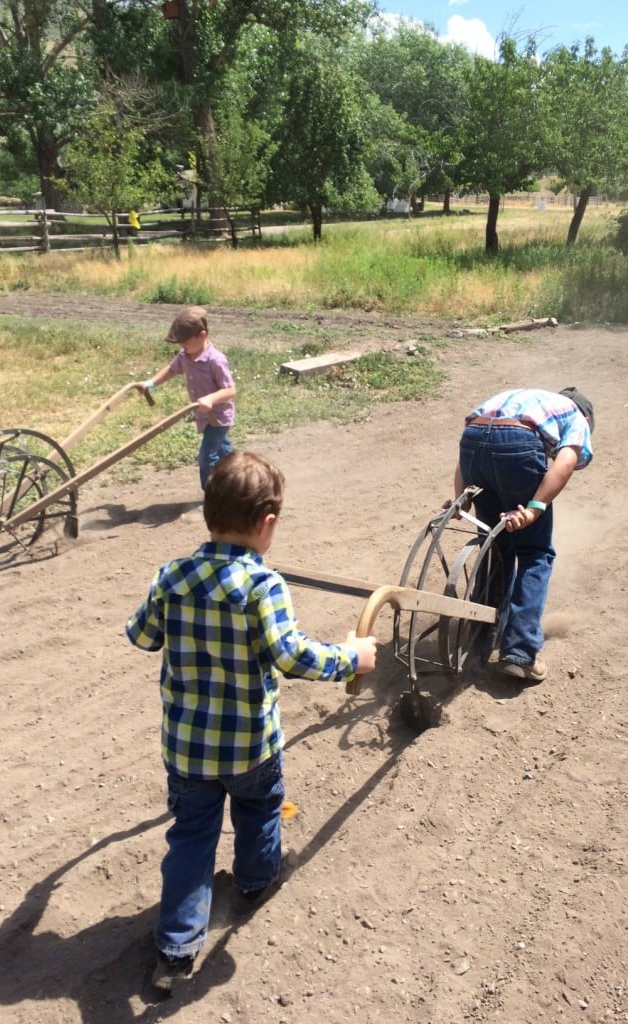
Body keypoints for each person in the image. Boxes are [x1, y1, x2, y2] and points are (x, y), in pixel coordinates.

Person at [125, 450, 377, 993]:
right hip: (250, 748)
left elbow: (141, 636)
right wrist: (351, 656)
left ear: (207, 515)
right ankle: (257, 880)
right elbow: (292, 657)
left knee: (191, 835)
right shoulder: (263, 586)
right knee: (260, 808)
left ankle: (175, 948)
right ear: (267, 524)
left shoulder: (172, 576)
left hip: (187, 748)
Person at [448, 386, 594, 684]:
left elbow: (474, 447)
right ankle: (519, 653)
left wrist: (461, 497)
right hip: (516, 446)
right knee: (535, 552)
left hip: (473, 444)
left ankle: (480, 638)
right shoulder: (577, 416)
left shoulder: (533, 401)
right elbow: (565, 462)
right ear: (588, 418)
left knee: (495, 547)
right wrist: (534, 508)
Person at [137, 305, 236, 490]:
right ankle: (240, 480)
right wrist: (150, 383)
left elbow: (230, 391)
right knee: (223, 454)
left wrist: (211, 399)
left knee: (206, 457)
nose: (182, 347)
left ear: (202, 335)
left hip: (219, 418)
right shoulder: (186, 355)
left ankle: (213, 497)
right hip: (204, 417)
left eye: (185, 343)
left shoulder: (215, 360)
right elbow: (172, 369)